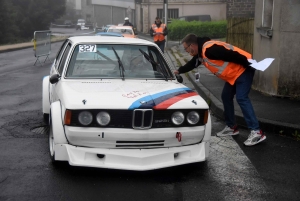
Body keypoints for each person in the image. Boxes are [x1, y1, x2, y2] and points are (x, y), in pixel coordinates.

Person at [174, 33, 266, 146]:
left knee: (242, 98)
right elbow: (193, 63)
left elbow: (232, 54)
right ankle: (232, 127)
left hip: (243, 70)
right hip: (234, 75)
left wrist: (249, 64)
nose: (186, 51)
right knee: (226, 96)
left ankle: (257, 132)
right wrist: (179, 71)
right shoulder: (201, 52)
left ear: (192, 45)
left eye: (186, 48)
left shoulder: (210, 49)